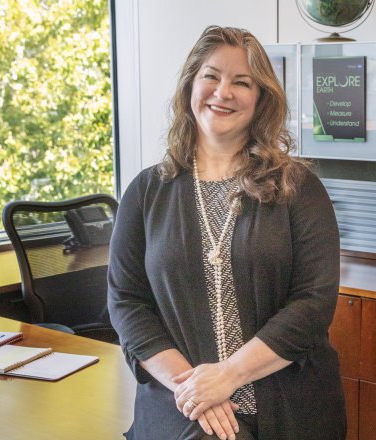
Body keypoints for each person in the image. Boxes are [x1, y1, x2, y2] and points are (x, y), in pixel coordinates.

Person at [107, 25, 345, 440]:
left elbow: (313, 303)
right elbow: (126, 301)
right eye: (211, 76)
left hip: (288, 413)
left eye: (242, 82)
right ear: (190, 87)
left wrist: (229, 375)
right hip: (179, 408)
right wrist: (196, 388)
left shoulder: (299, 188)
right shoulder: (147, 191)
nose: (223, 92)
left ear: (261, 99)